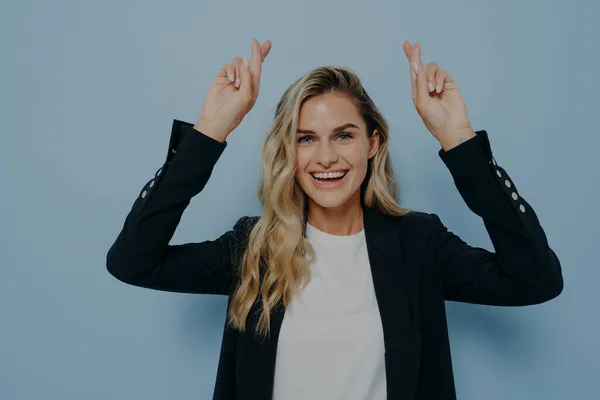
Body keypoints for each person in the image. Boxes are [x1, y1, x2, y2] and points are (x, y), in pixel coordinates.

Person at [106, 38, 564, 400]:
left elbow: (536, 280)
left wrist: (459, 140)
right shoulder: (254, 248)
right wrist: (210, 130)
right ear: (290, 151)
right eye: (306, 139)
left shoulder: (419, 243)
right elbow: (133, 261)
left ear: (373, 143)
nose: (325, 157)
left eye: (343, 136)